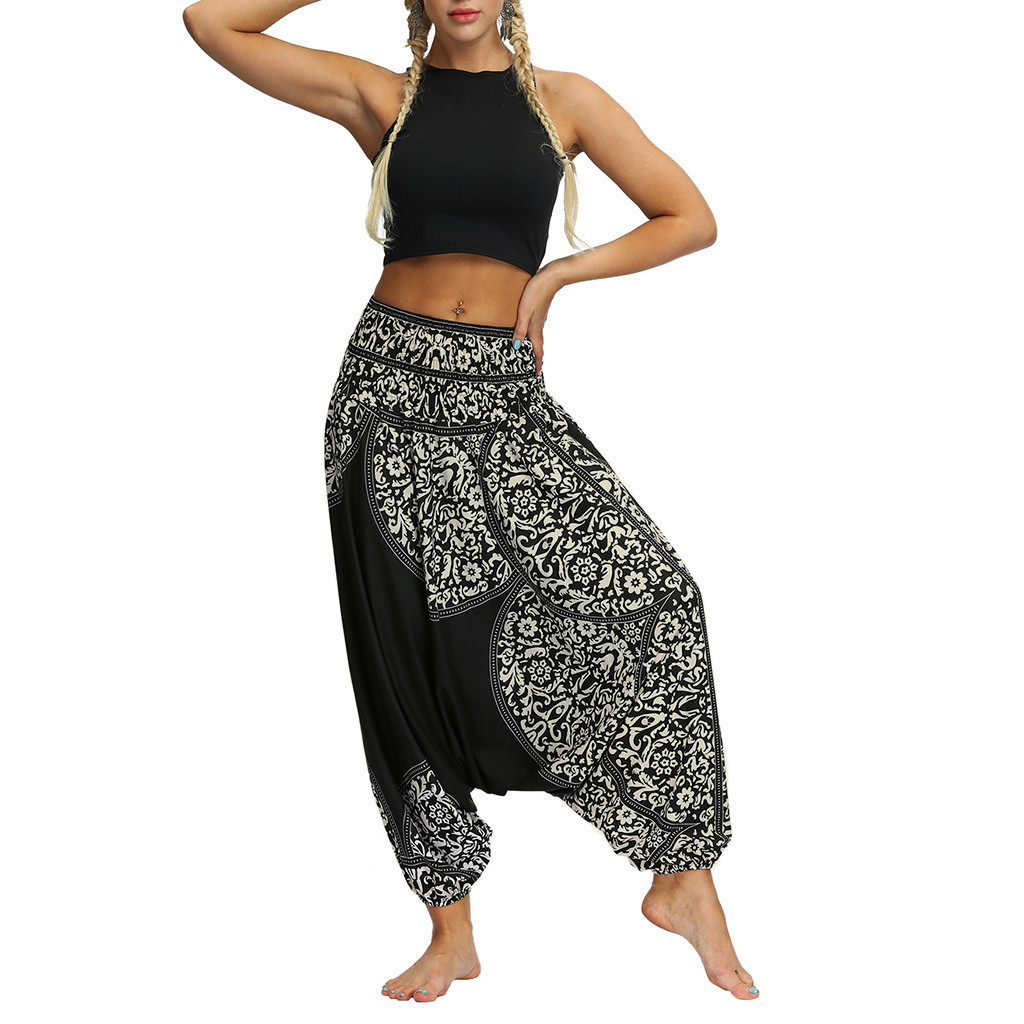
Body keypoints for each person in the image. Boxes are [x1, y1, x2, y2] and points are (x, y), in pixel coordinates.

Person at [183, 0, 759, 1003]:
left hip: (501, 391)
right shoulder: (384, 98)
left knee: (660, 596)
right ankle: (449, 930)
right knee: (405, 649)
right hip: (387, 393)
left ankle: (683, 875)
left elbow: (690, 218)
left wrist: (561, 276)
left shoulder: (565, 102)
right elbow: (212, 23)